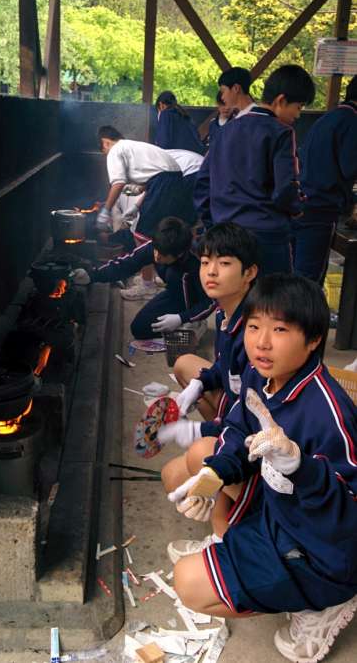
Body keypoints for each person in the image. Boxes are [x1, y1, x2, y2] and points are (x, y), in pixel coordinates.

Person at [166, 274, 357, 662]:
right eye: (254, 327)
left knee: (189, 583)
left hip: (321, 549)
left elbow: (349, 512)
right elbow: (237, 429)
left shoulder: (329, 413)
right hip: (279, 509)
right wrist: (213, 476)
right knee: (182, 472)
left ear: (313, 339)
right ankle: (237, 542)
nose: (261, 342)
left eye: (280, 329)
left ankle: (321, 604)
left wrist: (301, 468)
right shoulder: (261, 374)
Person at [158, 223, 258, 561]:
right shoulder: (226, 313)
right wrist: (198, 384)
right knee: (172, 479)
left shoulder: (256, 332)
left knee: (198, 454)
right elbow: (223, 367)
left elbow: (252, 416)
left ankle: (227, 538)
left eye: (224, 263)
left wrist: (201, 431)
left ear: (250, 273)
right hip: (237, 414)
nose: (211, 271)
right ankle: (220, 489)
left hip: (255, 439)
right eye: (205, 262)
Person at [194, 64, 315, 275]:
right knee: (273, 294)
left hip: (227, 235)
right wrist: (297, 208)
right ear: (281, 100)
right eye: (298, 107)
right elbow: (284, 190)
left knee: (234, 293)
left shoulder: (225, 131)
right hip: (266, 237)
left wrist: (214, 224)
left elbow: (203, 183)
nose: (298, 115)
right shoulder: (282, 132)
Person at [96, 126, 197, 297]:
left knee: (141, 235)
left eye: (103, 150)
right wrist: (137, 203)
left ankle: (147, 284)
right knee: (166, 231)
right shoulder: (133, 146)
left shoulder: (115, 150)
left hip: (165, 183)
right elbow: (157, 175)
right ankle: (170, 277)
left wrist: (105, 211)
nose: (106, 154)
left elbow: (118, 183)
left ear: (105, 142)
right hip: (175, 180)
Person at [76, 218, 215, 336]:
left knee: (175, 275)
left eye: (163, 255)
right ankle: (182, 322)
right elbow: (126, 264)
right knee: (139, 329)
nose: (157, 257)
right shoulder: (157, 246)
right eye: (156, 251)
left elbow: (212, 300)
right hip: (174, 294)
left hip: (195, 301)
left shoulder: (198, 263)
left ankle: (196, 322)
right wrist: (92, 276)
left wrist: (182, 318)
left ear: (179, 254)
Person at [291, 74, 357, 284]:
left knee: (295, 273)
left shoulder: (329, 118)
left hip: (302, 201)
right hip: (322, 207)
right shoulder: (352, 122)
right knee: (309, 278)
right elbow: (350, 167)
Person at [155, 91, 205, 155]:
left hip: (182, 157)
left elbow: (163, 144)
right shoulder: (185, 115)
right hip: (198, 156)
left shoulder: (165, 114)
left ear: (161, 105)